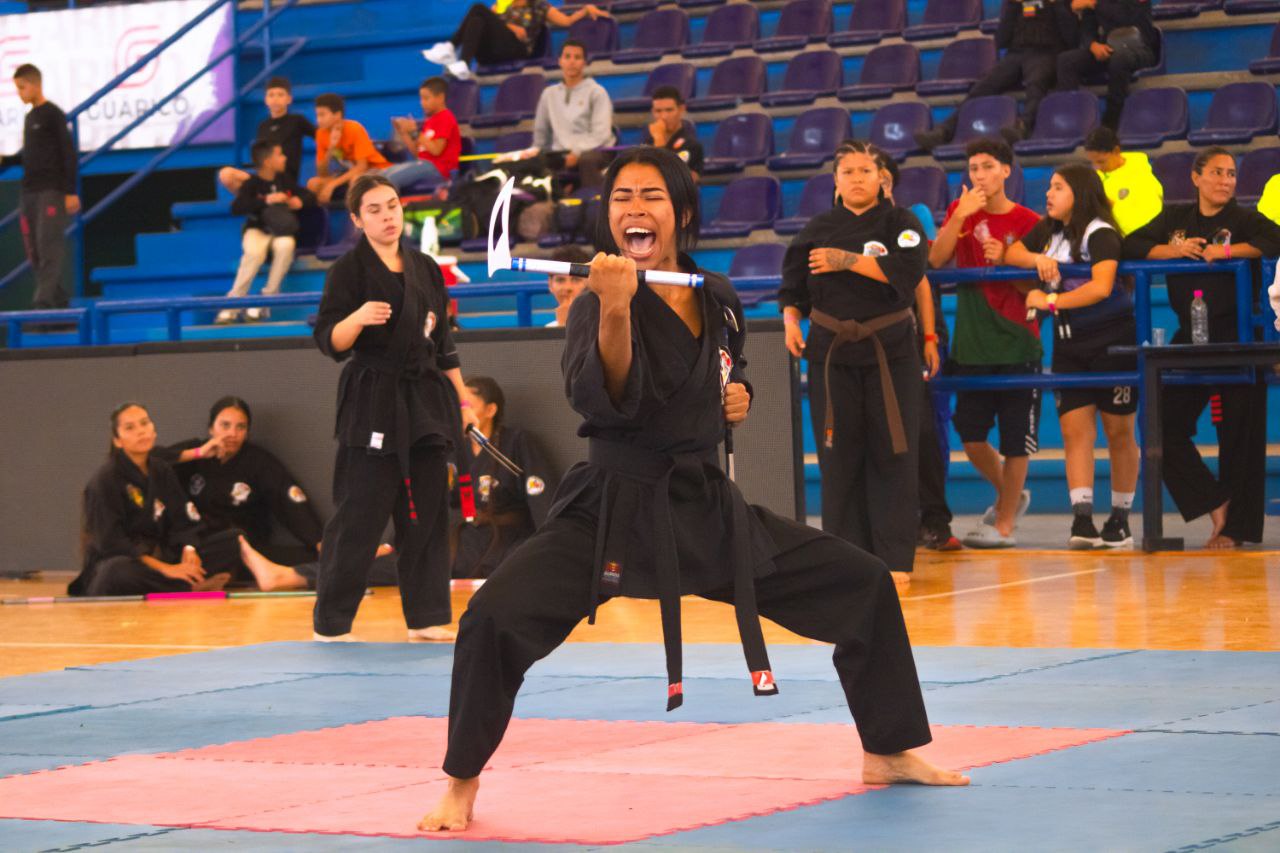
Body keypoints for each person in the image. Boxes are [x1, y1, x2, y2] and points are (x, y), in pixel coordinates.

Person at [419, 146, 968, 833]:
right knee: (492, 617)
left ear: (680, 212)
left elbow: (729, 371)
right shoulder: (595, 300)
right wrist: (615, 309)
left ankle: (887, 750)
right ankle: (460, 781)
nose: (635, 208)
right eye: (621, 197)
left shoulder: (715, 294)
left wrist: (738, 397)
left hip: (702, 505)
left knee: (863, 584)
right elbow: (607, 396)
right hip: (612, 506)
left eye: (651, 195)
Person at [312, 174, 479, 642]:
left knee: (427, 511)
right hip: (373, 398)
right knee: (359, 512)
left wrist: (463, 403)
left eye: (392, 205)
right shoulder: (348, 270)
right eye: (374, 210)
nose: (387, 216)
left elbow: (444, 345)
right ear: (356, 220)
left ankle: (426, 617)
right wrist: (357, 318)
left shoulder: (425, 267)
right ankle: (332, 623)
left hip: (425, 398)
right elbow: (329, 340)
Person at [781, 140, 929, 583]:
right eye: (848, 172)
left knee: (893, 451)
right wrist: (790, 321)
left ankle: (895, 558)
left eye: (866, 171)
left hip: (891, 352)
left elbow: (908, 274)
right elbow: (793, 288)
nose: (858, 179)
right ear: (836, 181)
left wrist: (846, 260)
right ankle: (846, 558)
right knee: (838, 455)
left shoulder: (902, 223)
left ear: (881, 179)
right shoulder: (818, 227)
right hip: (832, 353)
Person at [1123, 147, 1280, 549]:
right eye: (1217, 172)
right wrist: (1174, 251)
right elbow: (1132, 244)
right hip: (1190, 335)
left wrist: (1225, 252)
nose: (1226, 181)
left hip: (1239, 336)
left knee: (1241, 436)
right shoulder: (1175, 219)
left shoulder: (1244, 219)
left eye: (1231, 174)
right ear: (1195, 177)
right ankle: (1214, 503)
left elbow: (1274, 239)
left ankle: (1236, 530)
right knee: (1159, 424)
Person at [1007, 163, 1136, 549]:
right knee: (1074, 431)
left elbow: (1101, 287)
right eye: (1049, 185)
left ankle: (1120, 520)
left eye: (1058, 187)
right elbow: (1013, 252)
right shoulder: (1050, 230)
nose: (1048, 194)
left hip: (1113, 344)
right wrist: (1037, 260)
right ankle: (1082, 520)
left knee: (1118, 432)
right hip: (1069, 345)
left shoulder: (1102, 233)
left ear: (1079, 193)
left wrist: (1049, 300)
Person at [928, 139, 1042, 548]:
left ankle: (1005, 522)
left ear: (1006, 171)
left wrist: (1008, 258)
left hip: (1017, 342)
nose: (979, 175)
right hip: (971, 344)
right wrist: (959, 216)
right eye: (974, 168)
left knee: (1015, 441)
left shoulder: (1029, 221)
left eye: (988, 166)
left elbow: (1040, 286)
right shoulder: (960, 212)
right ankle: (1011, 495)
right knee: (971, 436)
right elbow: (936, 260)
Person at [164, 396, 401, 592]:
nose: (232, 433)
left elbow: (289, 500)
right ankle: (204, 580)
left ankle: (228, 576)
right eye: (224, 426)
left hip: (247, 546)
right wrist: (196, 454)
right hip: (197, 546)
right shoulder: (192, 454)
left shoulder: (257, 461)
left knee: (308, 558)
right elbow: (153, 464)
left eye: (240, 427)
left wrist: (321, 543)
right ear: (211, 427)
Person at [70, 403, 243, 597]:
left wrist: (189, 549)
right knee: (117, 572)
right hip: (123, 562)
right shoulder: (105, 480)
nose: (141, 431)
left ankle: (179, 584)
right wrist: (166, 569)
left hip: (162, 557)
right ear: (117, 440)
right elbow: (112, 543)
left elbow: (182, 518)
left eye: (144, 423)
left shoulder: (161, 470)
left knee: (234, 540)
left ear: (153, 429)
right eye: (130, 427)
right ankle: (185, 587)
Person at [876, 152, 957, 551]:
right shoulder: (840, 227)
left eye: (875, 173)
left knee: (923, 428)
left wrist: (929, 337)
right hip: (870, 339)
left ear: (888, 181)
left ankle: (935, 518)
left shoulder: (911, 218)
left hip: (914, 334)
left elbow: (921, 276)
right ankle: (892, 521)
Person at [914, 0, 1078, 151]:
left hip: (1046, 53)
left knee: (1036, 82)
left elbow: (1072, 38)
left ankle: (1023, 127)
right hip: (1016, 54)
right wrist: (1013, 6)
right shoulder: (1015, 4)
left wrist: (1057, 4)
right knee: (982, 87)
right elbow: (1001, 40)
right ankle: (943, 131)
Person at [451, 376, 556, 578]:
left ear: (490, 410)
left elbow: (541, 499)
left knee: (522, 567)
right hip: (465, 538)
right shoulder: (452, 449)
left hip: (507, 538)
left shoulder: (517, 443)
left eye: (467, 406)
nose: (460, 413)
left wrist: (549, 545)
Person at [217, 141, 316, 324]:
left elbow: (308, 195)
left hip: (280, 232)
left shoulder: (284, 180)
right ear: (268, 161)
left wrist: (298, 201)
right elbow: (237, 207)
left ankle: (266, 301)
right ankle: (232, 305)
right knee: (254, 254)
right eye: (280, 155)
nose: (284, 158)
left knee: (286, 245)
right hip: (257, 230)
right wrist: (267, 200)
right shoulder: (252, 183)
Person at [11, 64, 78, 310]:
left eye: (22, 87)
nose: (19, 93)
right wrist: (6, 161)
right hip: (29, 191)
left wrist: (70, 191)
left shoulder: (53, 114)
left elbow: (67, 153)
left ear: (35, 84)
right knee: (34, 252)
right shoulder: (30, 117)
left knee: (48, 244)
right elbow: (31, 155)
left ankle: (42, 303)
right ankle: (58, 302)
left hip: (51, 190)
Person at [423, 0, 610, 82]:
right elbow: (490, 21)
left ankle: (453, 49)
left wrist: (586, 10)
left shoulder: (538, 5)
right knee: (477, 19)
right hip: (492, 51)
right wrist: (510, 27)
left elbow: (566, 21)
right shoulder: (504, 3)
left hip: (517, 49)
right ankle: (462, 61)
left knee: (478, 8)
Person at [1057, 0, 1159, 130]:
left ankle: (1111, 122)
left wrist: (1095, 4)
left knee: (1119, 59)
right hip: (1110, 48)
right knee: (1066, 61)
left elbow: (1128, 18)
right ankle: (1072, 121)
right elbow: (1087, 28)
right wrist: (1092, 45)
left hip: (1140, 48)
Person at [532, 40, 616, 189]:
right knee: (535, 162)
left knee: (587, 160)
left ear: (584, 62)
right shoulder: (548, 94)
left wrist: (577, 152)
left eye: (577, 57)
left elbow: (601, 134)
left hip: (596, 150)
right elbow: (541, 134)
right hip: (561, 152)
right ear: (560, 61)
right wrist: (535, 152)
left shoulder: (597, 92)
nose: (572, 62)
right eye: (567, 56)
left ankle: (594, 199)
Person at [219, 77, 315, 194]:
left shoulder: (297, 120)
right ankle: (254, 202)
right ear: (266, 100)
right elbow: (259, 159)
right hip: (264, 180)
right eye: (271, 95)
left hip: (286, 181)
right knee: (226, 174)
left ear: (289, 99)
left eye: (280, 95)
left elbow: (320, 135)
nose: (275, 99)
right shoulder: (263, 126)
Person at [307, 93, 391, 207]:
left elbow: (362, 166)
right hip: (348, 172)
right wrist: (331, 148)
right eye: (317, 115)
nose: (318, 120)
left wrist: (333, 184)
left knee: (356, 180)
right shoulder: (320, 133)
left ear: (337, 115)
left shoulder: (354, 128)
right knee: (313, 183)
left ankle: (356, 217)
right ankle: (325, 217)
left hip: (375, 169)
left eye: (322, 115)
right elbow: (322, 173)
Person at [1082, 126, 1163, 236]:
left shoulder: (1140, 171)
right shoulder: (1094, 179)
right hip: (1115, 238)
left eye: (1101, 162)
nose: (1096, 167)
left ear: (1116, 151)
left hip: (1147, 235)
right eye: (1092, 162)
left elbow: (1151, 211)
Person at [387, 77, 463, 189]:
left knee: (391, 179)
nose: (422, 103)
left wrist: (414, 131)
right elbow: (417, 154)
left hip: (439, 168)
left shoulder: (446, 117)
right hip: (424, 163)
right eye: (421, 99)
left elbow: (436, 150)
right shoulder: (430, 121)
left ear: (441, 98)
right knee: (382, 176)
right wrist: (404, 132)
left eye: (426, 98)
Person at [640, 85, 704, 182]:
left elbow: (681, 183)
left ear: (681, 109)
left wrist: (659, 141)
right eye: (658, 111)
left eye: (669, 110)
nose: (664, 116)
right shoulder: (647, 145)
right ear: (653, 112)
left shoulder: (692, 145)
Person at [545, 245, 590, 327]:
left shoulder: (603, 325)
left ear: (589, 284)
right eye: (560, 280)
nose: (567, 287)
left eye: (576, 280)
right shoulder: (548, 328)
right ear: (550, 284)